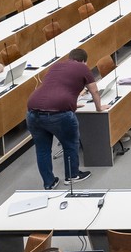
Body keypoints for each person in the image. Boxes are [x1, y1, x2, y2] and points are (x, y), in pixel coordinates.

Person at [25, 47, 99, 188]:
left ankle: (49, 182)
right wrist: (99, 108)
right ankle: (72, 175)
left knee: (42, 149)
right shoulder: (82, 68)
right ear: (83, 61)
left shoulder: (55, 66)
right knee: (70, 144)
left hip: (32, 111)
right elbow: (94, 91)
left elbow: (56, 87)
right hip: (58, 114)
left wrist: (72, 104)